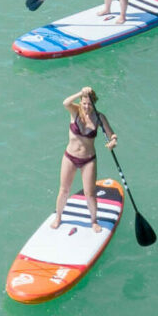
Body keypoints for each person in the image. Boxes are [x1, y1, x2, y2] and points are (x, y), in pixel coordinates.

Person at [56, 87, 117, 225]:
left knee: (89, 194)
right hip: (69, 158)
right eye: (84, 103)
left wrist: (113, 141)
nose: (86, 106)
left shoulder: (99, 117)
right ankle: (58, 217)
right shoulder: (75, 111)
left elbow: (111, 134)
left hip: (88, 160)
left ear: (94, 103)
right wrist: (80, 92)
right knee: (64, 190)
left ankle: (94, 221)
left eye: (89, 104)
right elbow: (65, 103)